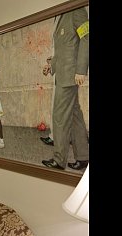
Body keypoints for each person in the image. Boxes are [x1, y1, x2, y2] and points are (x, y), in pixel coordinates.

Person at [41, 7, 89, 170]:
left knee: (59, 116)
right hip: (63, 73)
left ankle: (59, 160)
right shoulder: (62, 14)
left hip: (70, 75)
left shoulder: (77, 10)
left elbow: (86, 38)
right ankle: (83, 156)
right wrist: (51, 65)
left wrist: (81, 70)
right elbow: (64, 49)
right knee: (75, 116)